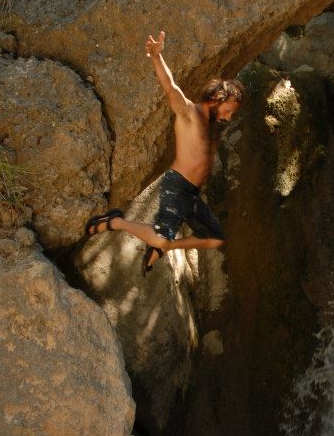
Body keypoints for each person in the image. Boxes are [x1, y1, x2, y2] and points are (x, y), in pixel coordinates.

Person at [85, 30, 244, 272]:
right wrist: (157, 57)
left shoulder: (212, 129)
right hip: (176, 185)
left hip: (191, 193)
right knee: (161, 237)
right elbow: (170, 87)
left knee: (215, 238)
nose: (229, 116)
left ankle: (163, 247)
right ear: (218, 99)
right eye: (228, 109)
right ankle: (115, 222)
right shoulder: (190, 113)